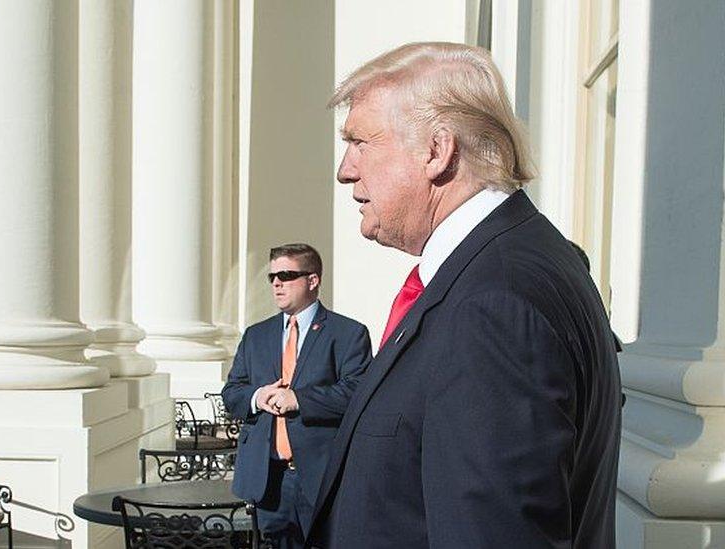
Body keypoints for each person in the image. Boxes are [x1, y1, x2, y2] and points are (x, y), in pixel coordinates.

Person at [306, 42, 622, 548]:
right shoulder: (504, 267)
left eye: (361, 141)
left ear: (437, 150)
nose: (346, 169)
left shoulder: (494, 303)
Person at [222, 243, 371, 548]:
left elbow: (357, 392)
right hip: (268, 480)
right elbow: (232, 393)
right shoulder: (256, 335)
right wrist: (258, 396)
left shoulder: (347, 334)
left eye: (287, 275)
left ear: (312, 280)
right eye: (272, 276)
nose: (277, 283)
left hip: (321, 477)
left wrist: (298, 399)